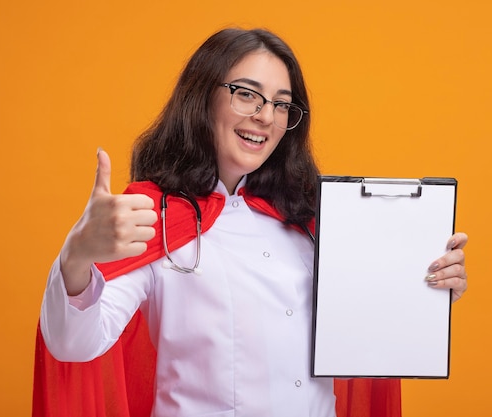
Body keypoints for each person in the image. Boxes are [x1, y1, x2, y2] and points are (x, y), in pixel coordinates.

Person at [34, 28, 468, 417]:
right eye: (247, 94)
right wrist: (78, 255)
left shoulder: (310, 217)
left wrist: (429, 285)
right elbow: (74, 344)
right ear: (202, 97)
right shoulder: (154, 216)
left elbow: (369, 322)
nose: (265, 116)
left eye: (282, 104)